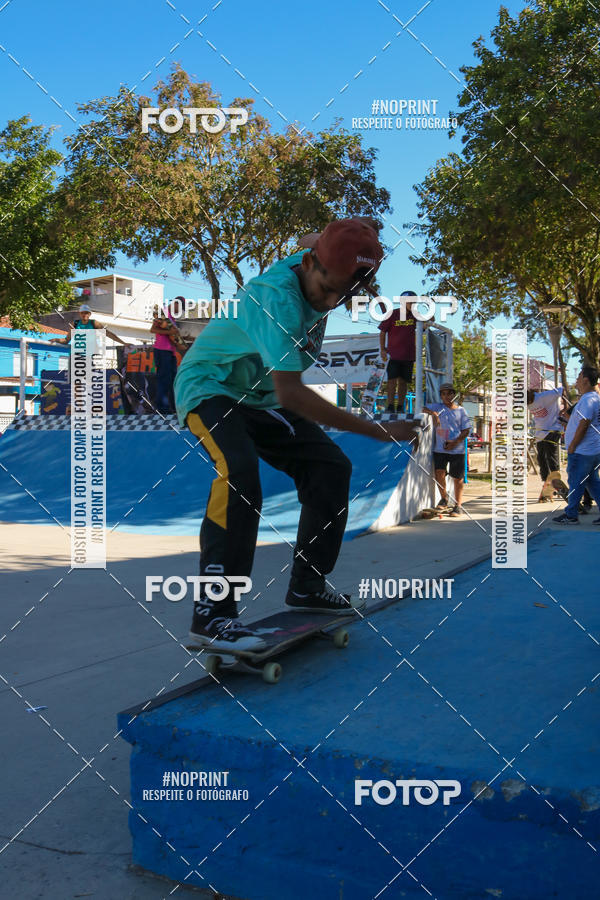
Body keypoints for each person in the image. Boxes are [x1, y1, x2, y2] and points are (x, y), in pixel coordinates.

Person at [174, 219, 422, 652]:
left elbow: (313, 237)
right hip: (210, 387)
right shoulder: (276, 301)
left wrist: (365, 233)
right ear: (308, 265)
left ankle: (308, 585)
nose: (330, 301)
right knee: (240, 476)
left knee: (330, 467)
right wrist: (375, 430)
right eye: (327, 289)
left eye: (343, 294)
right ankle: (212, 616)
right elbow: (292, 393)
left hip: (258, 398)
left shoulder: (324, 260)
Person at [553, 366, 600, 525]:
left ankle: (571, 515)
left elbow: (585, 423)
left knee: (576, 481)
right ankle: (572, 513)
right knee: (593, 482)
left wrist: (573, 445)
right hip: (592, 450)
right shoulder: (594, 398)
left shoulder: (588, 400)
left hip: (582, 451)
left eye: (579, 376)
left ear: (586, 380)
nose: (577, 380)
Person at [422, 383, 471, 517]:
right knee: (439, 474)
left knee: (458, 478)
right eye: (443, 394)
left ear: (453, 394)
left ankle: (458, 505)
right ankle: (444, 498)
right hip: (440, 448)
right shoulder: (437, 407)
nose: (446, 396)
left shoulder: (461, 411)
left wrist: (455, 442)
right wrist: (433, 414)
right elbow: (420, 408)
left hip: (457, 449)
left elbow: (466, 430)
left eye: (449, 393)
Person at [378, 290, 418, 414]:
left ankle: (400, 406)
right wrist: (383, 349)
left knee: (403, 382)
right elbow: (383, 332)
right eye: (409, 301)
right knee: (392, 380)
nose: (412, 303)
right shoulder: (392, 314)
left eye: (414, 301)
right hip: (393, 354)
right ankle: (390, 406)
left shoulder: (415, 315)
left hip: (409, 355)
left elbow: (431, 319)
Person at [526, 386, 565, 501]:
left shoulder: (544, 396)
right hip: (540, 434)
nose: (529, 404)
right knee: (542, 460)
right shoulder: (526, 402)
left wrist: (565, 408)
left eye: (528, 402)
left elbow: (562, 390)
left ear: (531, 396)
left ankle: (556, 485)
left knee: (551, 459)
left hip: (553, 429)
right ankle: (546, 486)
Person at [151, 298, 184, 414]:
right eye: (179, 307)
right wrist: (171, 332)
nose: (179, 310)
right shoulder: (163, 314)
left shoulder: (172, 318)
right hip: (161, 350)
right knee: (163, 379)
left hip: (170, 352)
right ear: (175, 303)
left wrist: (183, 340)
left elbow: (172, 337)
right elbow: (153, 329)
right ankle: (162, 408)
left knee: (173, 380)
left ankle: (173, 407)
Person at [49, 304, 125, 346]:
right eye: (82, 312)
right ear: (79, 314)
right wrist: (56, 340)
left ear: (89, 314)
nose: (84, 314)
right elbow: (66, 340)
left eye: (86, 313)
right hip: (77, 355)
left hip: (89, 354)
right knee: (74, 374)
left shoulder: (94, 323)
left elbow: (108, 334)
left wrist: (124, 343)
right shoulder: (75, 324)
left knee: (88, 374)